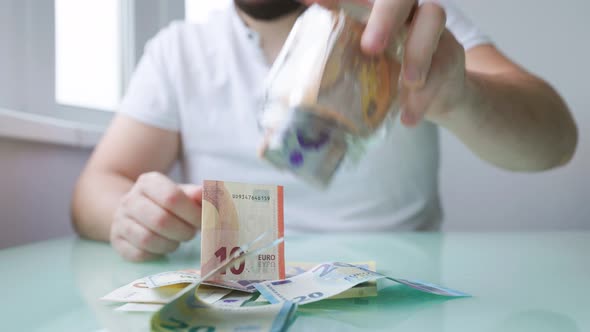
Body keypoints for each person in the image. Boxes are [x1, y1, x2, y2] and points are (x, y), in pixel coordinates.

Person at [71, 0, 577, 261]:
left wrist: (460, 96)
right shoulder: (178, 50)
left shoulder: (397, 24)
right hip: (238, 294)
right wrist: (134, 214)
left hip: (396, 290)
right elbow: (97, 186)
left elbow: (555, 141)